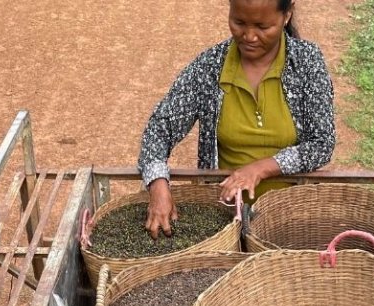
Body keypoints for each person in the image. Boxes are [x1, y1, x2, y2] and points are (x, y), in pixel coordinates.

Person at [138, 0, 336, 239]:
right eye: (239, 22)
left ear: (287, 15)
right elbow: (159, 128)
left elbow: (322, 143)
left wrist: (260, 169)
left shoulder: (306, 62)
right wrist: (158, 184)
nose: (249, 36)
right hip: (225, 218)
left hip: (292, 217)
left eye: (262, 27)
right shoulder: (211, 66)